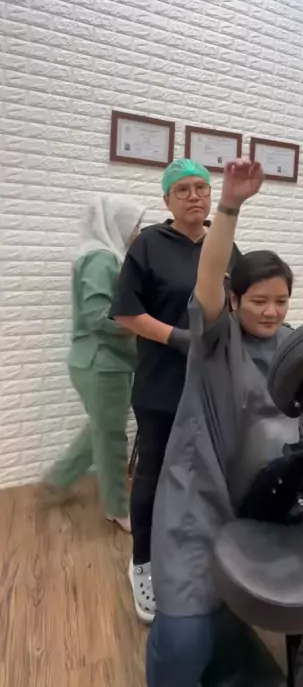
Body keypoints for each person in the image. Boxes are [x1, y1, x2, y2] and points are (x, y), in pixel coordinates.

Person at [146, 160, 303, 687]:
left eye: (281, 301)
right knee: (185, 641)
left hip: (274, 493)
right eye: (259, 301)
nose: (272, 312)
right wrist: (228, 206)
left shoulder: (295, 344)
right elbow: (208, 278)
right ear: (234, 301)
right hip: (203, 499)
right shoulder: (216, 338)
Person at [111, 159, 241, 622]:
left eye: (201, 188)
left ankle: (197, 551)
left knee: (206, 472)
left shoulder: (224, 245)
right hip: (162, 382)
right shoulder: (149, 245)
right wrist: (176, 337)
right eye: (182, 190)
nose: (194, 197)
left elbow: (239, 306)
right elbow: (125, 312)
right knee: (154, 473)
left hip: (211, 383)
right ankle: (143, 564)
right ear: (167, 199)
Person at [41, 195, 145, 532]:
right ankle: (118, 508)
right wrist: (146, 325)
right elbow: (99, 317)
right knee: (112, 438)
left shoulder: (103, 256)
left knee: (101, 428)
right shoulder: (101, 259)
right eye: (135, 225)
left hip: (99, 361)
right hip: (103, 364)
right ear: (117, 224)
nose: (137, 232)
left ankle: (57, 479)